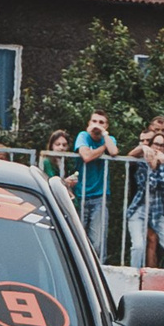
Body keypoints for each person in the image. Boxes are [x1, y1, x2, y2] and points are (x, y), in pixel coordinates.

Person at [123, 129, 164, 267]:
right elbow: (148, 185)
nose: (157, 148)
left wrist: (158, 165)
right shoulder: (142, 162)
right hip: (139, 210)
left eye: (161, 145)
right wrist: (152, 166)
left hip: (156, 213)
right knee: (138, 246)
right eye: (155, 144)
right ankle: (133, 276)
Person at [72, 109, 118, 254]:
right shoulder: (83, 136)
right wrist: (103, 148)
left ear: (106, 126)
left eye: (101, 122)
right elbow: (86, 156)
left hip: (100, 197)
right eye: (94, 121)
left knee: (97, 243)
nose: (97, 125)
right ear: (89, 123)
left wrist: (105, 136)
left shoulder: (109, 138)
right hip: (80, 196)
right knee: (76, 239)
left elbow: (114, 151)